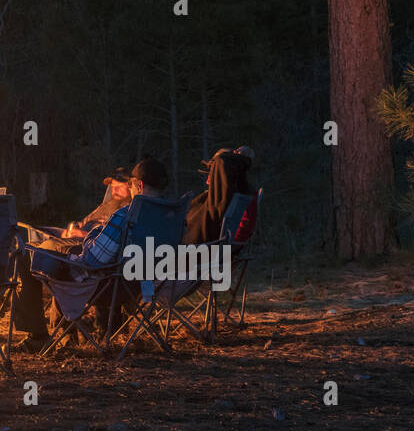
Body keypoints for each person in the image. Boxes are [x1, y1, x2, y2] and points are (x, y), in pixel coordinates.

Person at [16, 158, 170, 352]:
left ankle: (38, 337)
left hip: (104, 284)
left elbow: (94, 260)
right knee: (53, 251)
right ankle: (64, 335)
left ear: (138, 185)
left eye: (130, 184)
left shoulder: (125, 215)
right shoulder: (171, 216)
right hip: (142, 284)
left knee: (25, 255)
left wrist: (92, 235)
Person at [182, 146, 255, 244]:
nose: (209, 175)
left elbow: (223, 161)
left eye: (214, 169)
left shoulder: (219, 201)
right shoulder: (221, 199)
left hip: (196, 252)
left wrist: (243, 159)